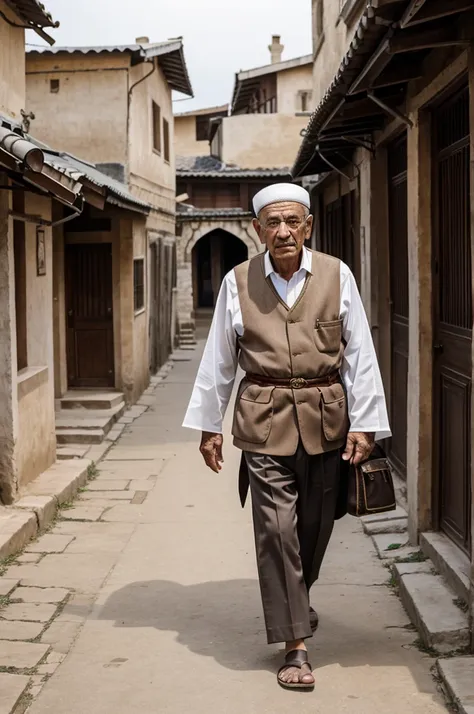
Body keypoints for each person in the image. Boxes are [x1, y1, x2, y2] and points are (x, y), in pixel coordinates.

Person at [183, 183, 390, 690]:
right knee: (276, 531)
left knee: (316, 529)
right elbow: (219, 359)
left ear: (308, 226)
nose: (283, 232)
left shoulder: (338, 276)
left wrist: (365, 422)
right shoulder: (237, 282)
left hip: (326, 421)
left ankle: (297, 600)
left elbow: (359, 351)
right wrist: (210, 424)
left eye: (292, 222)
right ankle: (295, 644)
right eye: (272, 223)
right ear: (257, 230)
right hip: (262, 422)